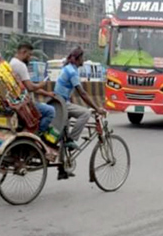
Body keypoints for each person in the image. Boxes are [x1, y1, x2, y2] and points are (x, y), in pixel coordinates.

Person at [54, 47, 106, 179]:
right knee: (85, 114)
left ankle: (61, 169)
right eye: (82, 57)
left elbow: (66, 90)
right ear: (77, 59)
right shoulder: (72, 71)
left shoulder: (68, 68)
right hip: (62, 104)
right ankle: (72, 139)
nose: (83, 60)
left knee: (62, 136)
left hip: (59, 102)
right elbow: (82, 93)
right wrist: (97, 108)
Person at [9, 43, 56, 135]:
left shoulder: (12, 62)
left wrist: (47, 94)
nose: (30, 58)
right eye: (29, 55)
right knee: (50, 111)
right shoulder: (20, 65)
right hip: (24, 105)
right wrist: (41, 84)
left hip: (17, 101)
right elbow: (30, 87)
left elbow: (28, 86)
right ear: (23, 52)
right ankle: (37, 135)